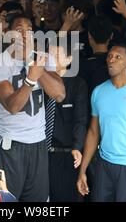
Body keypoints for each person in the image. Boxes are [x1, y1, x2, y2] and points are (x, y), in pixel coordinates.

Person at [0, 14, 65, 201]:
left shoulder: (42, 59)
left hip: (38, 142)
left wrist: (33, 64)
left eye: (29, 31)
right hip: (8, 143)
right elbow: (13, 106)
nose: (25, 36)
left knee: (36, 202)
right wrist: (30, 79)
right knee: (4, 199)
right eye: (19, 30)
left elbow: (59, 94)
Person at [77, 43, 126, 202]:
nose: (111, 60)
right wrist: (83, 170)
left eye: (117, 57)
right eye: (109, 56)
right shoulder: (98, 91)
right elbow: (93, 132)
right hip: (104, 164)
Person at [47, 43, 88, 202]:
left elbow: (81, 119)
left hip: (66, 154)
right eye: (49, 55)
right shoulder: (40, 81)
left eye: (56, 55)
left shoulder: (77, 84)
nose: (51, 59)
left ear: (69, 59)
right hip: (41, 153)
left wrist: (77, 146)